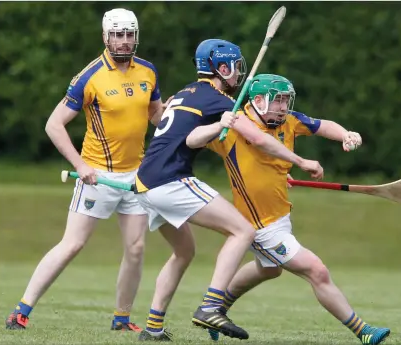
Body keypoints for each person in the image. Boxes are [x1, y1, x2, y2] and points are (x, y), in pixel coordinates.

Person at [134, 39, 324, 342]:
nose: (238, 76)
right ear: (222, 68)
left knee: (184, 253)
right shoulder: (217, 99)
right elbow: (259, 139)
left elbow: (174, 128)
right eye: (236, 68)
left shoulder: (188, 91)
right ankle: (211, 306)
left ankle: (153, 327)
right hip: (170, 179)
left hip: (144, 183)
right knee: (243, 231)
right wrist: (299, 160)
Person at [5, 8, 172, 333]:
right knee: (72, 244)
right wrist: (80, 165)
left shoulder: (149, 72)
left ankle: (121, 320)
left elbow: (154, 115)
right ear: (105, 36)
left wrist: (174, 115)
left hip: (136, 175)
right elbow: (54, 125)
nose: (123, 41)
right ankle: (21, 311)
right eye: (117, 34)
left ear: (136, 37)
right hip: (99, 175)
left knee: (136, 248)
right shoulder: (90, 76)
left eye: (129, 35)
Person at [194, 73, 390, 345]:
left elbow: (322, 125)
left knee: (269, 269)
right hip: (258, 225)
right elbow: (191, 136)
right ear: (259, 100)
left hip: (281, 216)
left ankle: (217, 309)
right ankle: (363, 331)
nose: (283, 107)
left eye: (286, 101)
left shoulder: (289, 122)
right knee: (316, 270)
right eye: (278, 102)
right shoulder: (235, 127)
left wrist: (345, 134)